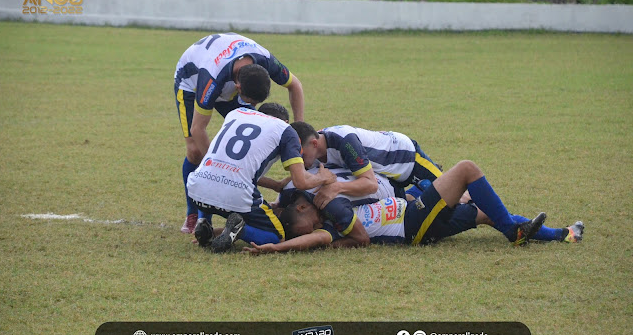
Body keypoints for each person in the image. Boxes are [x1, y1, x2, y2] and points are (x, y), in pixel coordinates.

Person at [242, 159, 561, 254]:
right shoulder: (332, 226)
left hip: (419, 216)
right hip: (414, 223)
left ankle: (561, 235)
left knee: (486, 214)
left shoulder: (327, 206)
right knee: (466, 169)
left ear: (301, 207)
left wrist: (267, 185)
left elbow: (287, 192)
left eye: (302, 225)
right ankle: (513, 232)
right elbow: (312, 239)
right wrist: (276, 248)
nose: (308, 229)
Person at [174, 33, 305, 233]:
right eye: (250, 101)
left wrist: (298, 132)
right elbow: (197, 129)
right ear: (237, 87)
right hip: (191, 81)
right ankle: (196, 215)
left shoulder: (265, 60)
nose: (252, 107)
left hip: (230, 69)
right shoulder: (210, 79)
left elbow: (295, 86)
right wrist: (217, 166)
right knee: (194, 151)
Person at [186, 101, 335, 253]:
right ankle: (240, 229)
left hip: (195, 190)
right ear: (285, 122)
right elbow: (301, 181)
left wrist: (275, 185)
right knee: (278, 237)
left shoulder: (237, 114)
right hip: (234, 194)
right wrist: (323, 177)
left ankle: (204, 224)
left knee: (216, 177)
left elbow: (236, 169)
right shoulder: (285, 129)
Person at [289, 122, 442, 210]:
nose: (298, 160)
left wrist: (336, 188)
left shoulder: (345, 142)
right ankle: (418, 189)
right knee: (412, 203)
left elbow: (370, 184)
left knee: (450, 194)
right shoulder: (313, 151)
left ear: (314, 144)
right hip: (383, 175)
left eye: (300, 155)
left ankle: (434, 174)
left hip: (405, 158)